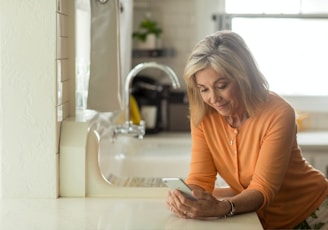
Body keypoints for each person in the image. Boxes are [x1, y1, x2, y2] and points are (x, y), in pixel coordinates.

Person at [165, 30, 328, 229]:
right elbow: (201, 177)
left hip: (311, 212)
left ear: (244, 78)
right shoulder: (204, 114)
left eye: (221, 85)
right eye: (204, 89)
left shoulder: (278, 114)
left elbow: (262, 189)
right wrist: (189, 199)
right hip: (261, 220)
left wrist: (222, 207)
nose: (213, 98)